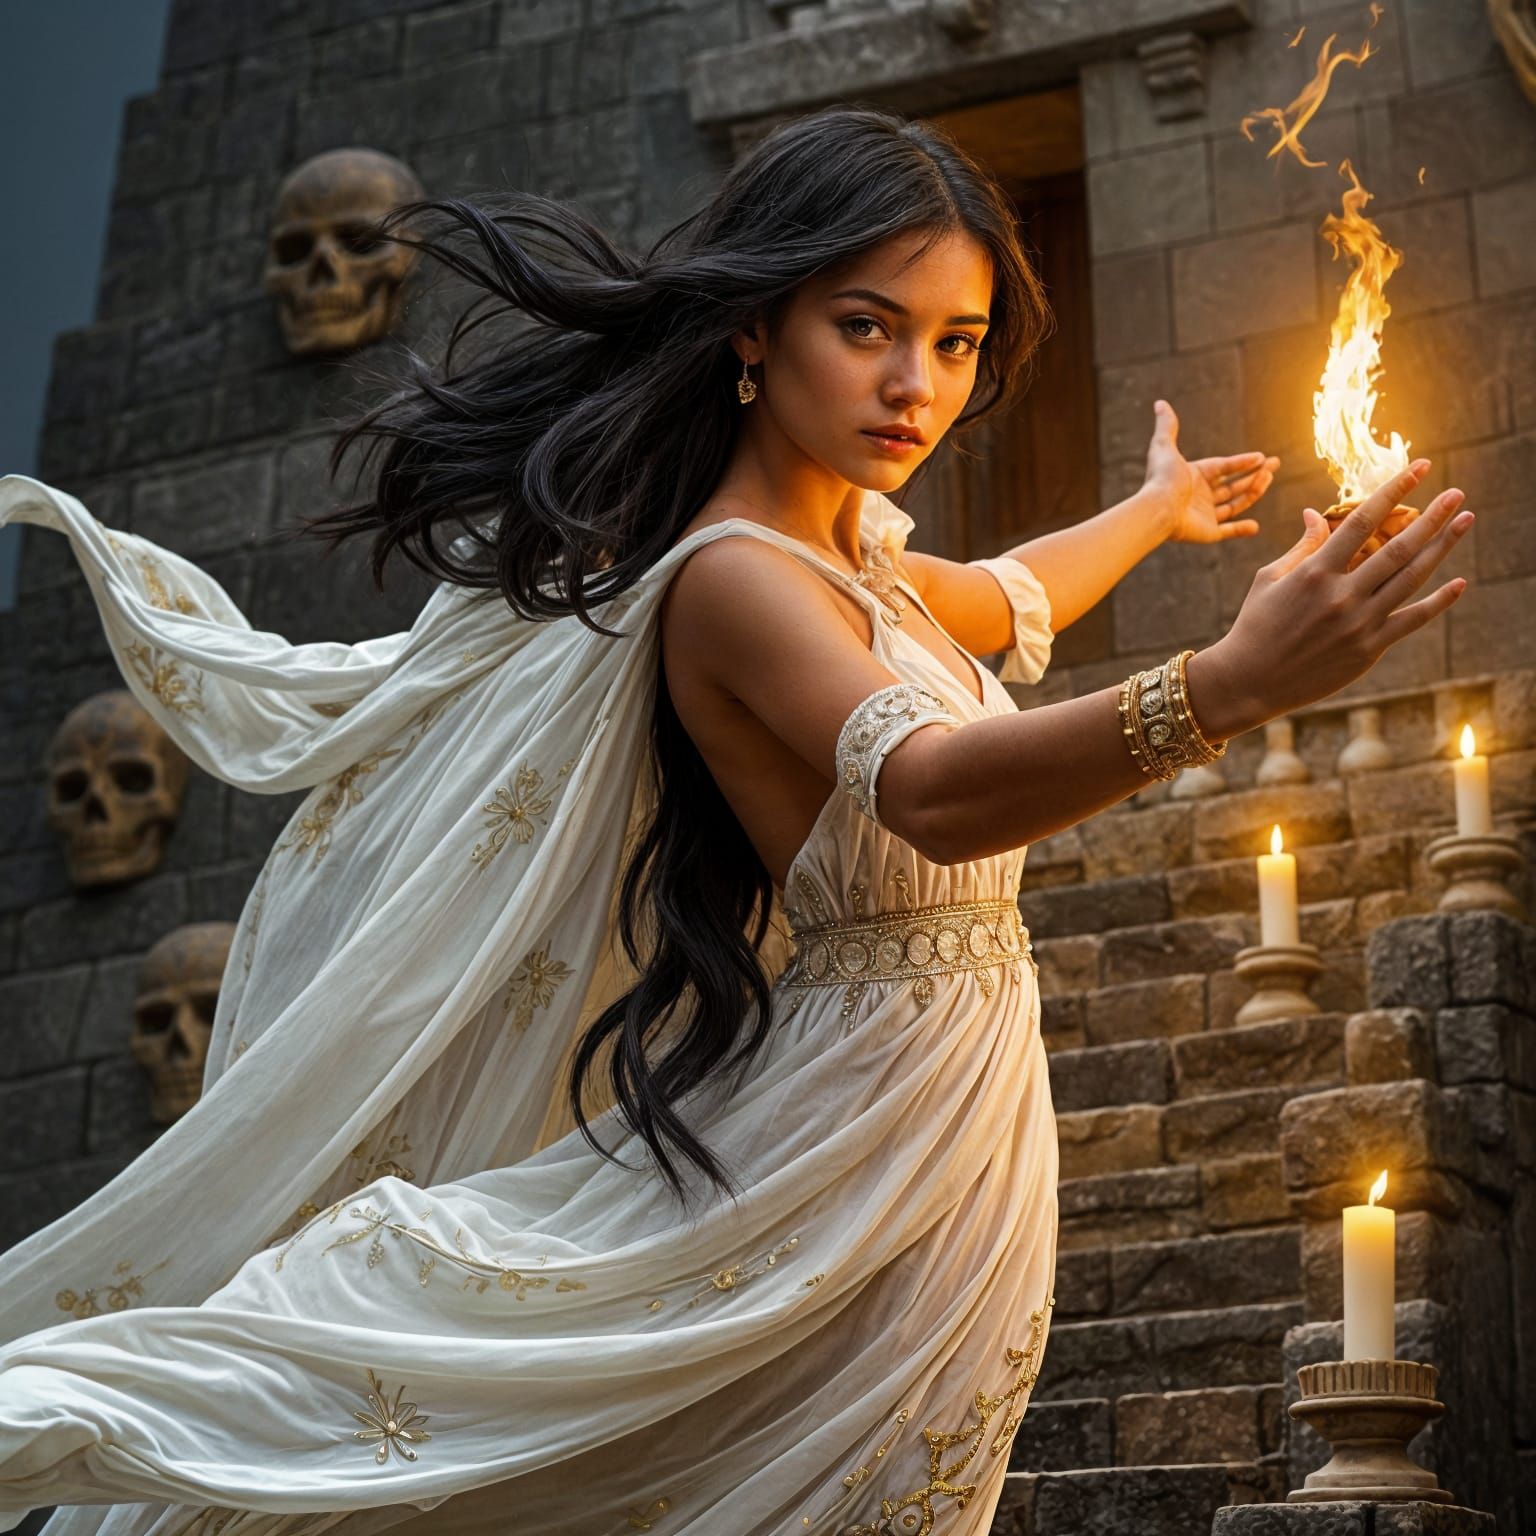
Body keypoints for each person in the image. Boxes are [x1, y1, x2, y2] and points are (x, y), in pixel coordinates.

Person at [0, 104, 1470, 1536]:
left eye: (955, 345)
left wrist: (1155, 512)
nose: (917, 385)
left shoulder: (865, 566)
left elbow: (1016, 595)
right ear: (754, 328)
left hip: (956, 1116)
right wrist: (1223, 686)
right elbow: (931, 792)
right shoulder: (735, 577)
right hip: (840, 1131)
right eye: (868, 326)